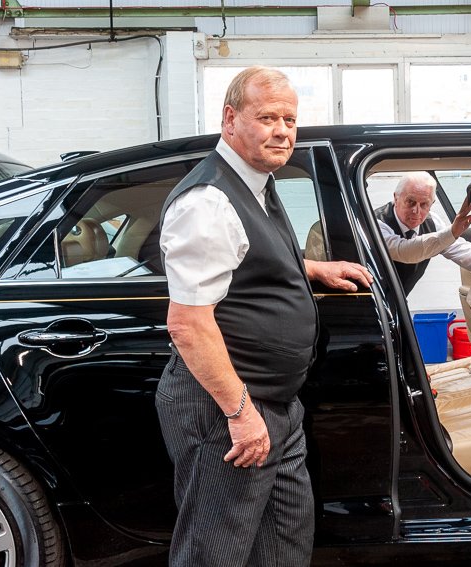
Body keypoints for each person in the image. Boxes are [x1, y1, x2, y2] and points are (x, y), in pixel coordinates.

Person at [155, 66, 372, 567]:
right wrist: (240, 414)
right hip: (227, 411)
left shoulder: (255, 184)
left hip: (276, 406)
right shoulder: (208, 201)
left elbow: (242, 254)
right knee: (214, 555)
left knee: (283, 545)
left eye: (290, 120)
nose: (283, 131)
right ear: (230, 120)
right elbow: (187, 323)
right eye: (268, 117)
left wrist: (311, 267)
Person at [376, 172, 471, 293]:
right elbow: (404, 251)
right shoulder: (376, 223)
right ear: (396, 198)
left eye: (424, 204)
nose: (416, 211)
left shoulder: (432, 222)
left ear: (431, 204)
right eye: (410, 202)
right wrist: (452, 233)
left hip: (398, 298)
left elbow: (461, 251)